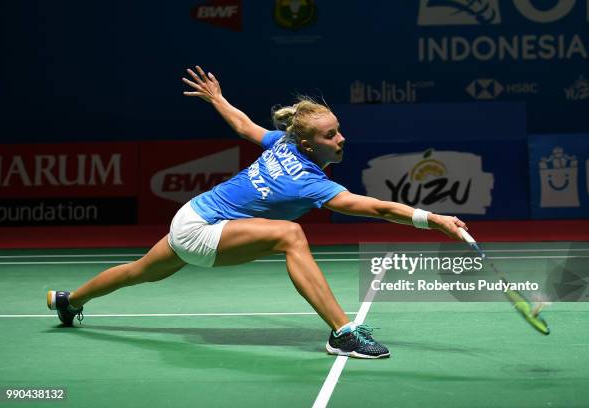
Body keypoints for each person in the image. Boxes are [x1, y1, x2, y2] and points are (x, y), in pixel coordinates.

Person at [47, 66, 467, 359]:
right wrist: (433, 219)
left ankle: (68, 300)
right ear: (308, 145)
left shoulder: (282, 143)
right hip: (202, 229)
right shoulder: (308, 179)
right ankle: (343, 334)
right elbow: (376, 208)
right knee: (290, 235)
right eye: (331, 134)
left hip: (192, 214)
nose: (342, 138)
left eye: (338, 129)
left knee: (140, 270)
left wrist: (217, 97)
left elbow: (244, 126)